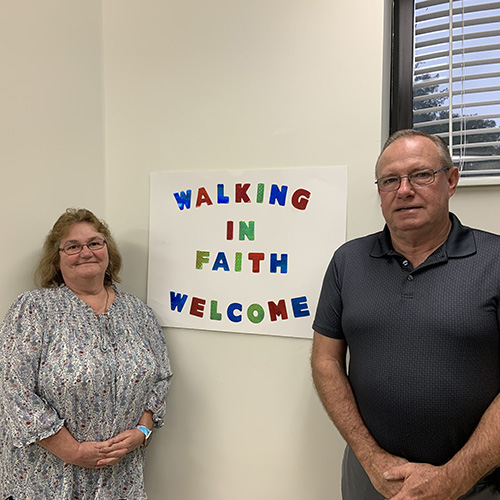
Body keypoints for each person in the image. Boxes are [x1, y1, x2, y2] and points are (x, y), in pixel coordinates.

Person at [311, 129, 500, 500]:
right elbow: (325, 360)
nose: (404, 190)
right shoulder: (348, 261)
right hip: (371, 477)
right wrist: (372, 459)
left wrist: (453, 477)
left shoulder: (495, 260)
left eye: (421, 174)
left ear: (451, 180)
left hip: (477, 482)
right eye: (390, 180)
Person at [0, 208, 173, 500]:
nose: (86, 252)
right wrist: (73, 451)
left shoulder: (139, 313)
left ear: (108, 251)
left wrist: (142, 432)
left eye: (95, 243)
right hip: (49, 477)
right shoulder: (34, 308)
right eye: (72, 246)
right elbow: (12, 389)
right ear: (57, 258)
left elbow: (161, 378)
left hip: (121, 477)